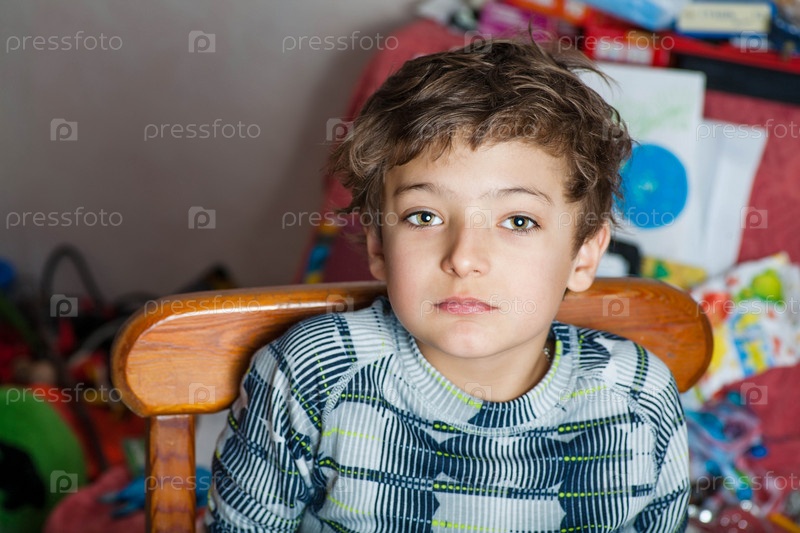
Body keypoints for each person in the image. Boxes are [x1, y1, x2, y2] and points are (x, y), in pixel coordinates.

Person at [206, 38, 689, 532]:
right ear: (378, 245)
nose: (463, 258)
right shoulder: (312, 374)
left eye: (518, 221)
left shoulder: (638, 397)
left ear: (584, 254)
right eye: (424, 216)